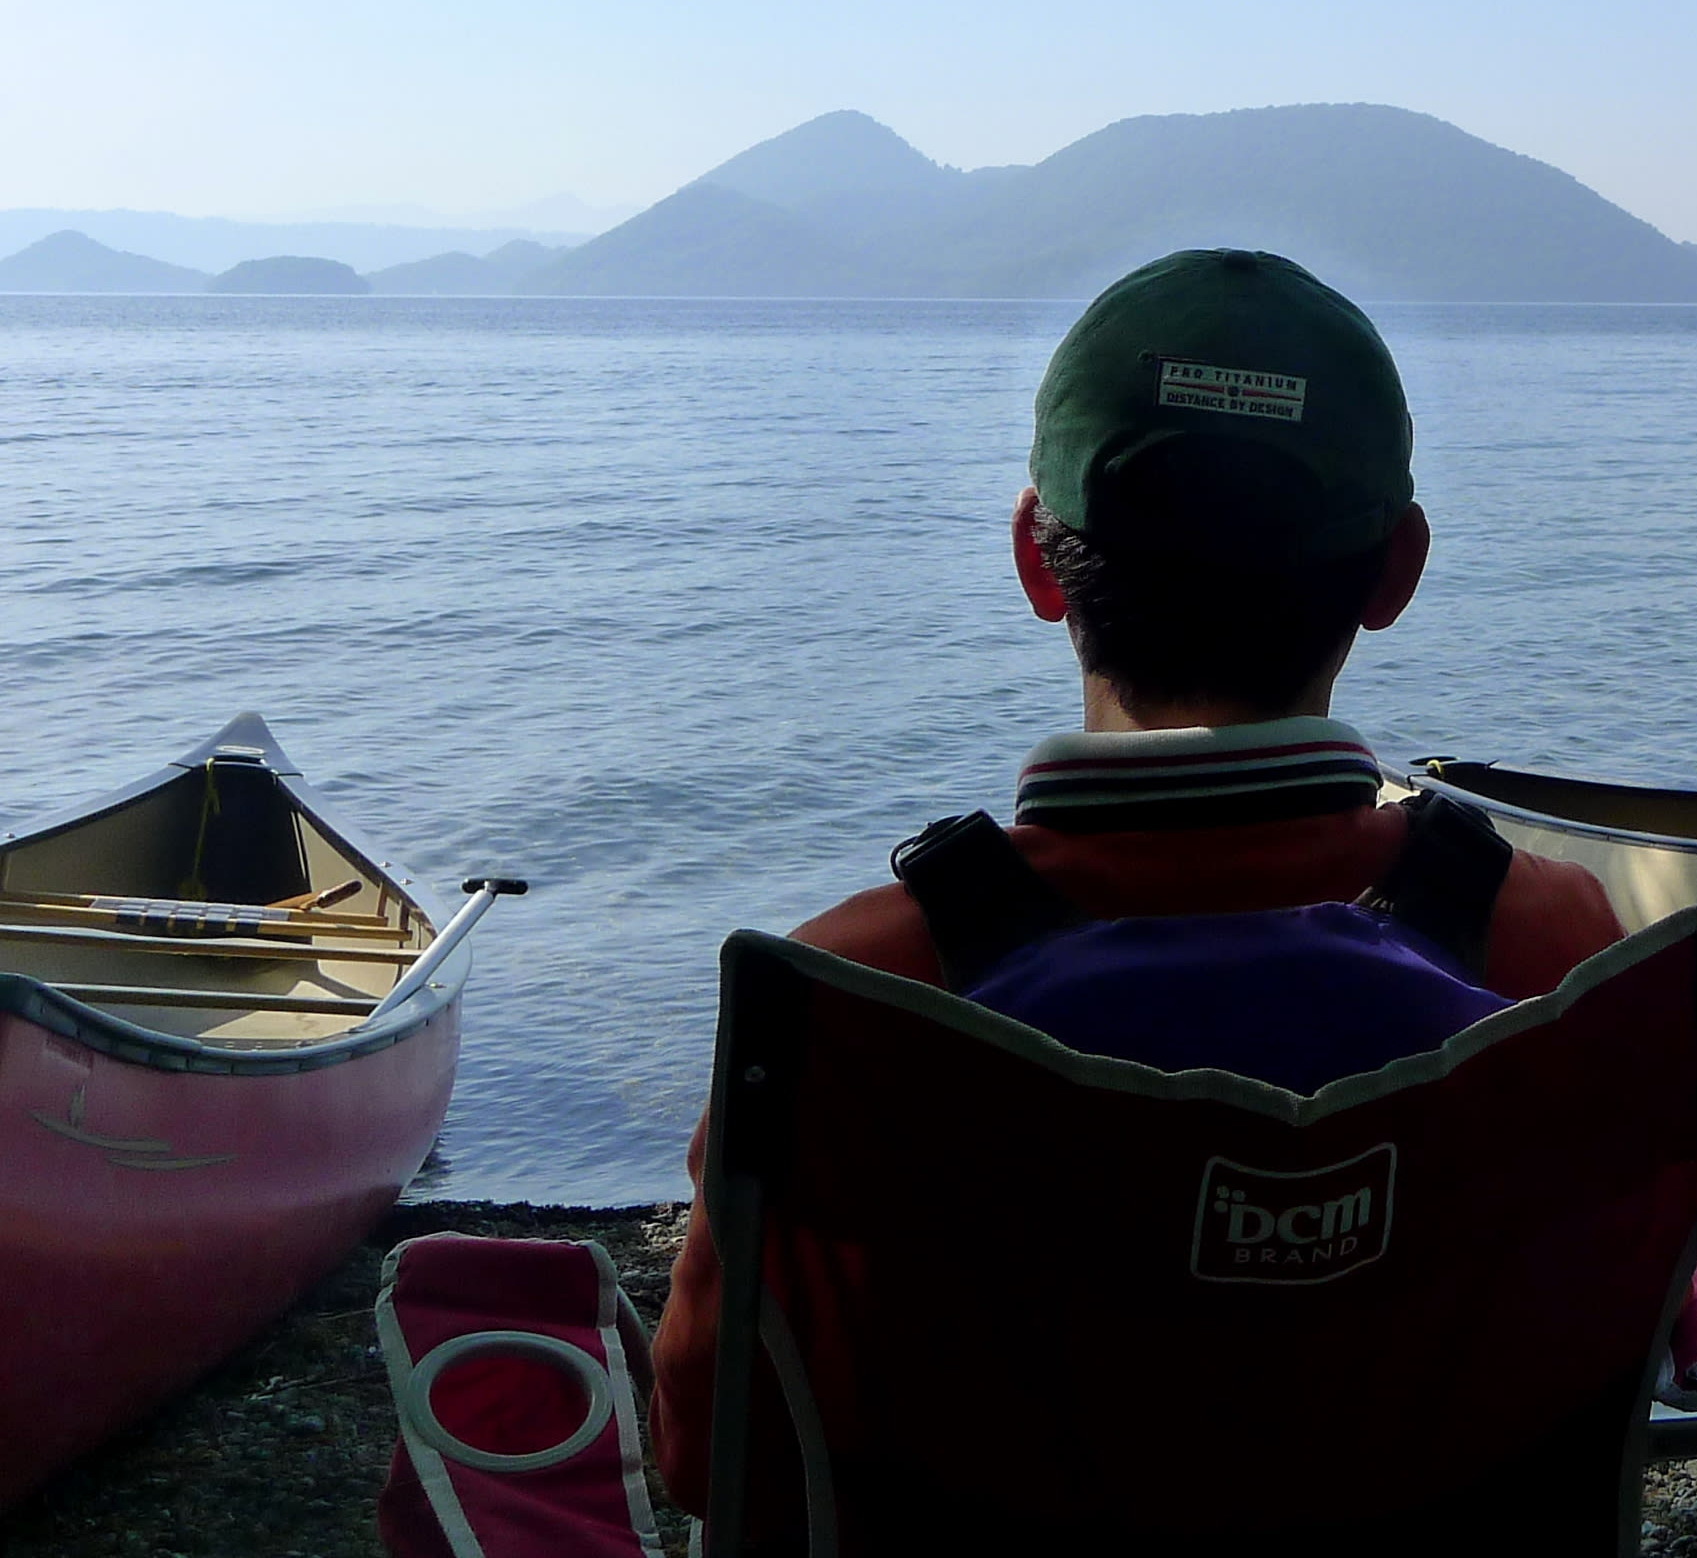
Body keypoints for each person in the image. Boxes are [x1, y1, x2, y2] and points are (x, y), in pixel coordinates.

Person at [649, 248, 1628, 1510]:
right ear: (1395, 572)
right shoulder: (1555, 956)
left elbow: (709, 1454)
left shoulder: (854, 994)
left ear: (1035, 559)